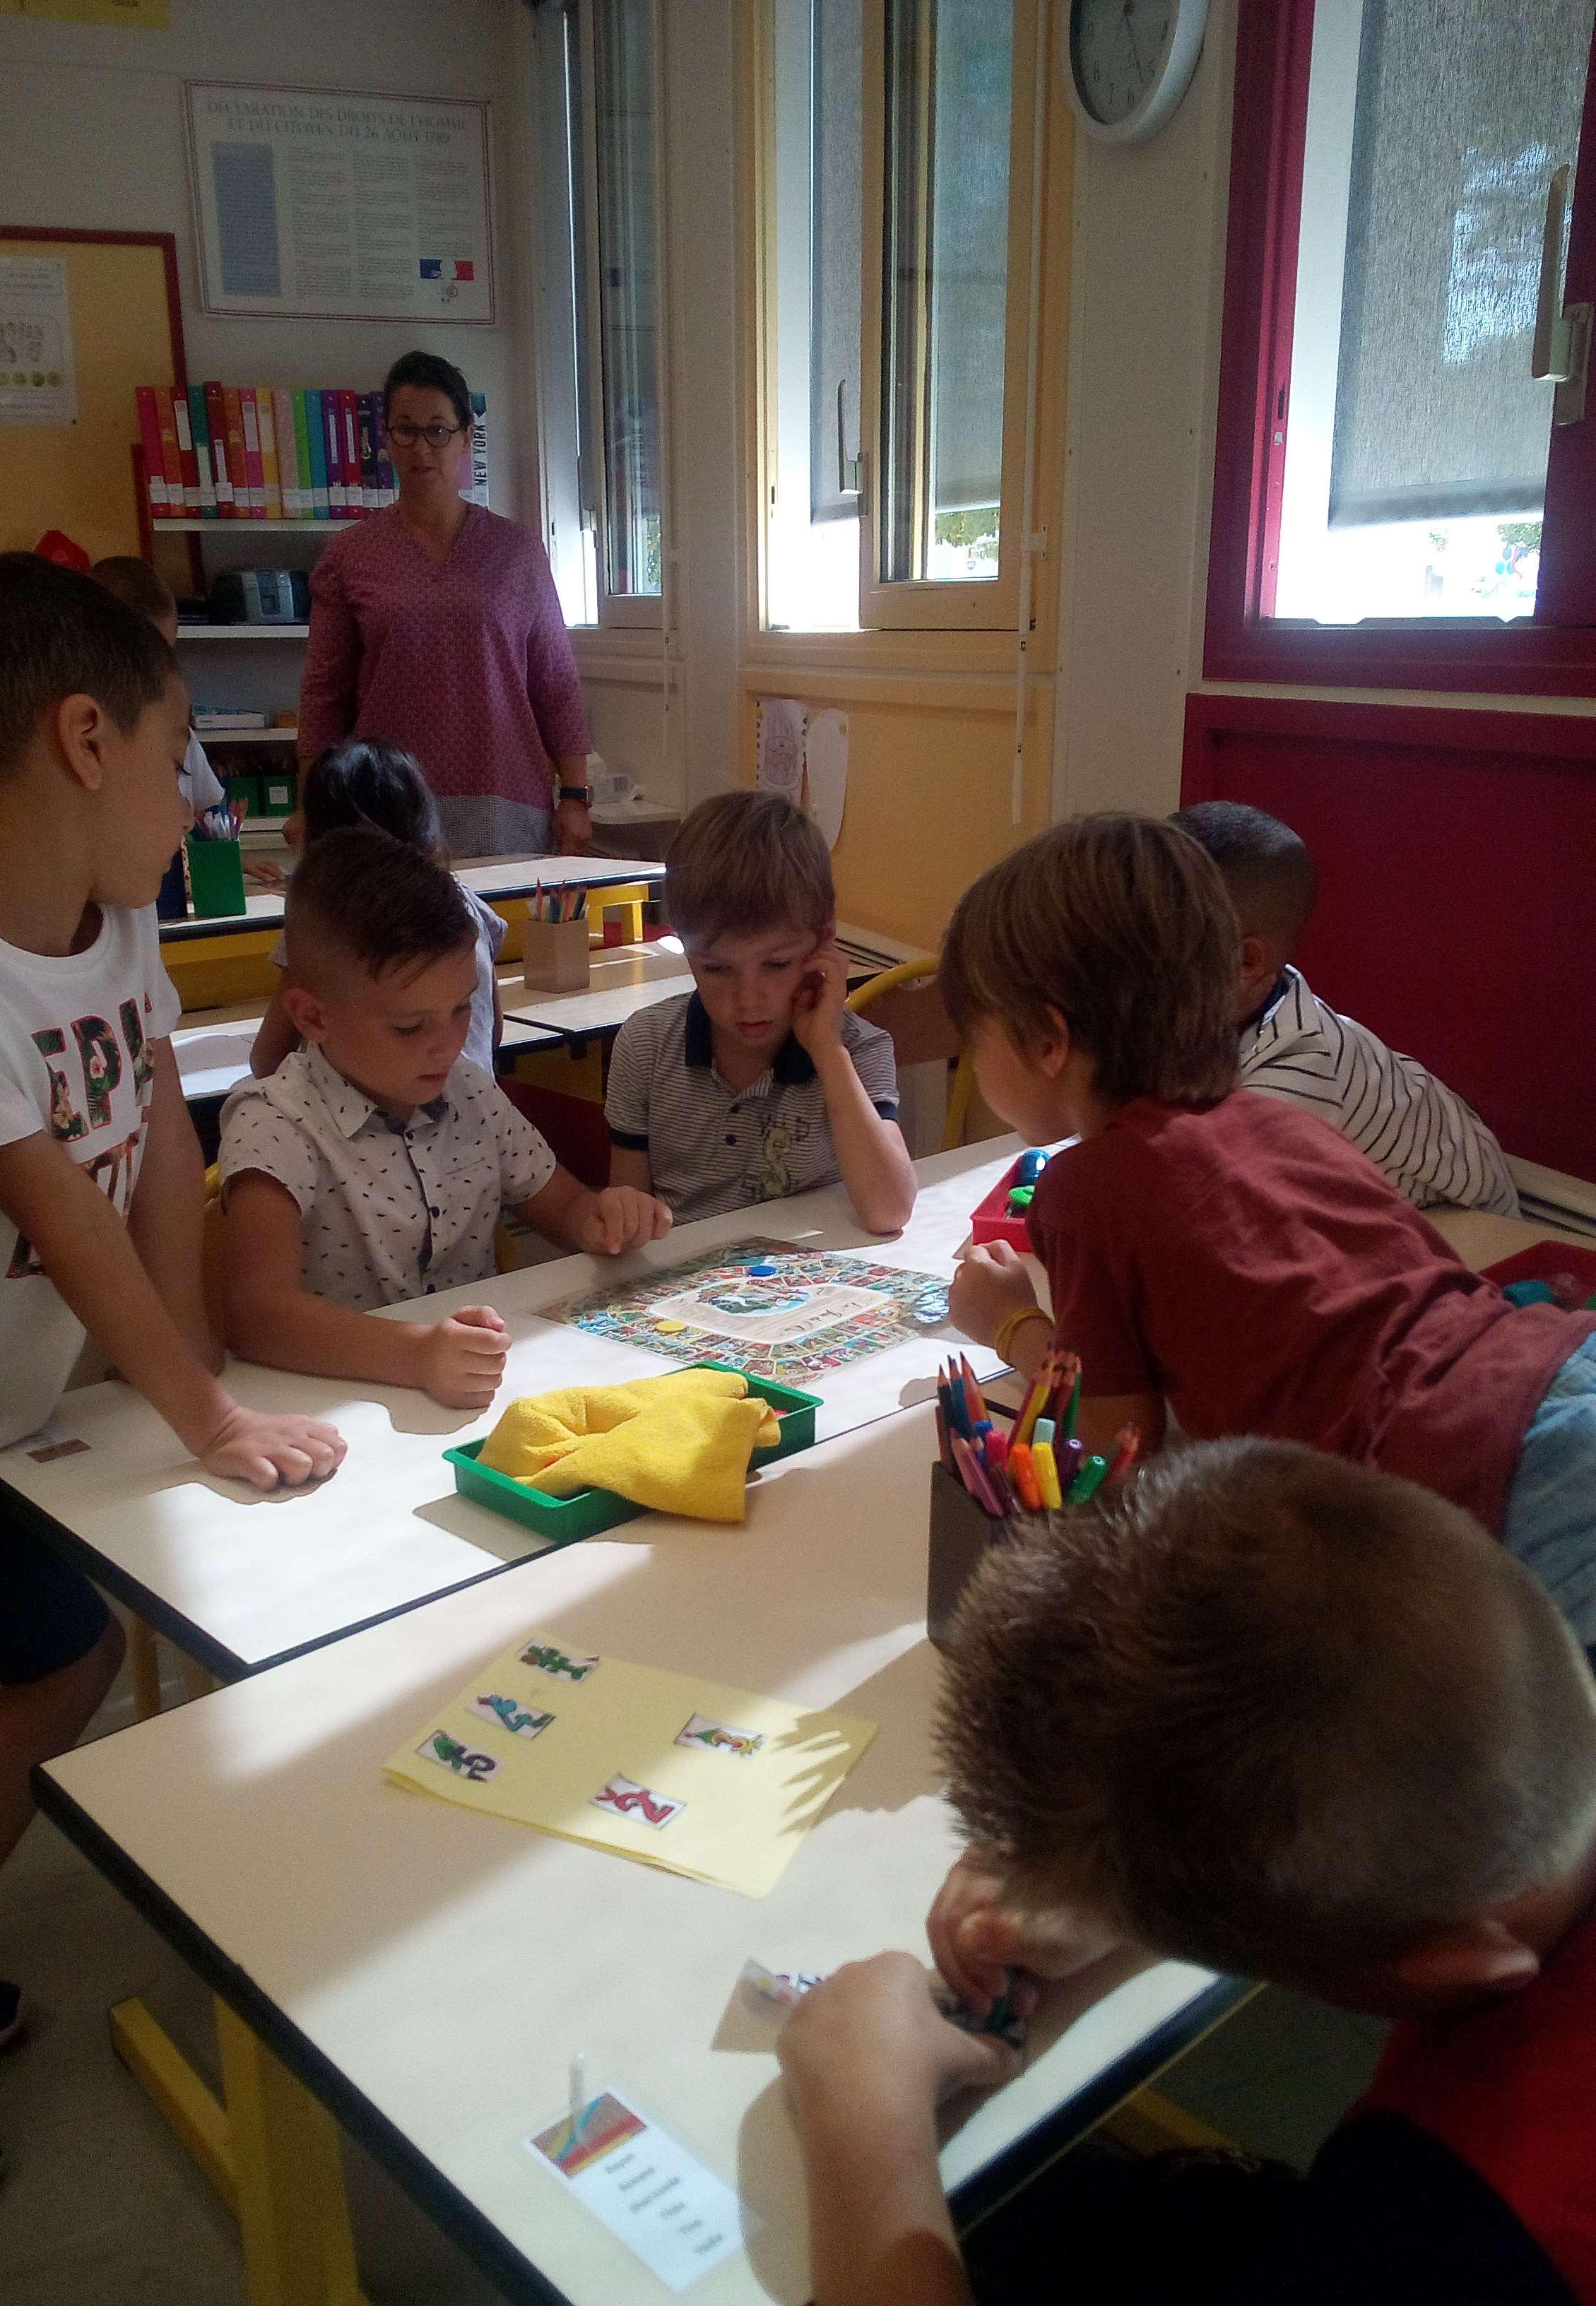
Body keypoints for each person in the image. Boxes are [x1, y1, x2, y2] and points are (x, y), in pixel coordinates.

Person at [0, 555, 345, 2205]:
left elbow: (155, 1153)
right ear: (85, 739)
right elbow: (60, 1213)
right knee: (59, 1660)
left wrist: (196, 1374)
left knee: (57, 1657)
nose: (197, 787)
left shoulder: (123, 926)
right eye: (177, 744)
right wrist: (206, 1418)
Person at [777, 1438, 1596, 2306]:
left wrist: (866, 2131)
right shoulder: (1524, 1711)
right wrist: (1137, 1897)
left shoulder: (1449, 2231)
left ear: (1456, 1966)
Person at [939, 814, 1596, 1645]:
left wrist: (1013, 1326)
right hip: (1552, 1367)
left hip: (1494, 1469)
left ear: (1048, 1041)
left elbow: (1120, 1463)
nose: (976, 1063)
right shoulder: (1279, 1120)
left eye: (976, 1039)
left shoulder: (1086, 1188)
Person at [220, 826, 672, 1408]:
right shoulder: (275, 1123)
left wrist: (606, 1218)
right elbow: (256, 1316)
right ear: (313, 1018)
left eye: (462, 1008)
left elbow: (565, 1208)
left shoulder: (468, 1090)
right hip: (335, 1411)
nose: (447, 1044)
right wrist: (416, 1354)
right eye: (410, 1027)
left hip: (469, 1393)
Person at [298, 350, 593, 859]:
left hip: (503, 796)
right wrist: (310, 803)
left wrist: (575, 795)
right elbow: (324, 693)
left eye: (437, 430)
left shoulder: (517, 551)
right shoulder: (350, 555)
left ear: (465, 437)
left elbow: (556, 682)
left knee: (503, 914)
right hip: (385, 802)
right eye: (405, 430)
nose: (421, 448)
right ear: (386, 438)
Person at [1171, 798, 1517, 1214]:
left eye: (1152, 948)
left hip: (1457, 1214)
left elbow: (1215, 1204)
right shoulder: (1229, 1004)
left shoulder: (1295, 1071)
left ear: (1246, 962)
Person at [604, 791, 916, 1233]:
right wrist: (621, 1215)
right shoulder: (646, 1046)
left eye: (776, 964)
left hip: (806, 1267)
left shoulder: (857, 1049)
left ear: (823, 941)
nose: (748, 999)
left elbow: (890, 1211)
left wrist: (827, 1052)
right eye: (716, 969)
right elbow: (630, 1214)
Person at [249, 738, 505, 1083]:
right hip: (476, 1102)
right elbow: (494, 1034)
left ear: (322, 841)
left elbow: (268, 1059)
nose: (291, 829)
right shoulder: (468, 906)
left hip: (383, 1111)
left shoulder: (328, 922)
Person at [87, 557, 225, 824]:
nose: (161, 672)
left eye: (168, 655)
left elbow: (210, 812)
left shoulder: (179, 735)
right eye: (144, 660)